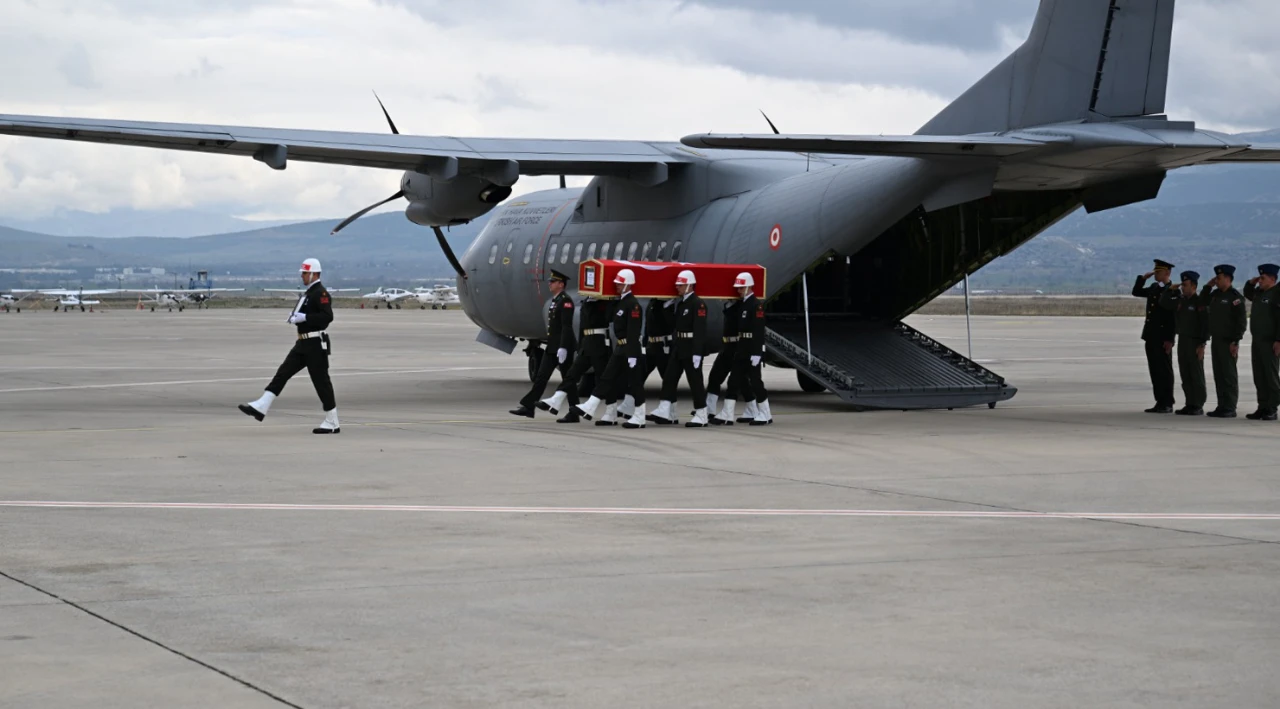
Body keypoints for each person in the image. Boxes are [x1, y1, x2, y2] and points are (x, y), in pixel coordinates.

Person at [239, 257, 339, 434]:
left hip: (315, 343)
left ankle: (332, 421)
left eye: (305, 273)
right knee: (282, 373)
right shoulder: (309, 293)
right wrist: (295, 318)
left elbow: (327, 317)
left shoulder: (320, 293)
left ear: (314, 273)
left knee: (321, 382)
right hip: (303, 342)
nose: (302, 277)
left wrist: (305, 318)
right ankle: (262, 405)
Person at [572, 268, 647, 428]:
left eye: (620, 284)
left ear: (627, 285)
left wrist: (634, 354)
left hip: (630, 348)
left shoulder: (633, 305)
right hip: (620, 347)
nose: (617, 286)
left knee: (635, 383)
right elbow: (608, 317)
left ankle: (640, 417)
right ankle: (597, 408)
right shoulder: (620, 303)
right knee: (607, 378)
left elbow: (634, 331)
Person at [511, 270, 576, 418]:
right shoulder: (556, 300)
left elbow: (566, 327)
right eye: (550, 281)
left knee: (568, 380)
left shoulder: (566, 301)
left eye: (553, 282)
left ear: (561, 284)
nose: (550, 284)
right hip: (553, 346)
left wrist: (564, 348)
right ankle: (529, 406)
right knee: (541, 377)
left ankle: (574, 411)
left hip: (562, 347)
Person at [539, 293, 613, 423]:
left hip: (599, 345)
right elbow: (582, 328)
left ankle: (610, 413)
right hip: (586, 345)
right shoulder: (587, 301)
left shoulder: (603, 303)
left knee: (602, 380)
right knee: (572, 374)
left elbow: (607, 318)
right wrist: (580, 347)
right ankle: (556, 400)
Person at [649, 270, 709, 426]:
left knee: (695, 382)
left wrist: (697, 352)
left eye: (681, 285)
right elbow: (674, 324)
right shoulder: (682, 303)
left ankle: (702, 414)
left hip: (691, 348)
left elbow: (700, 331)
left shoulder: (698, 304)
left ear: (689, 285)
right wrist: (665, 308)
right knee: (669, 379)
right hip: (679, 346)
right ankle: (665, 410)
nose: (678, 288)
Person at [714, 272, 772, 426]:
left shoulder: (756, 305)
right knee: (733, 381)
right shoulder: (743, 304)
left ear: (748, 286)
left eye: (741, 287)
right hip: (741, 348)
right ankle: (727, 414)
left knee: (755, 382)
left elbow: (759, 331)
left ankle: (766, 413)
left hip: (751, 348)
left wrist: (757, 352)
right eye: (738, 288)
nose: (738, 290)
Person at [1160, 270, 1210, 416]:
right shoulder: (1181, 301)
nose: (1183, 288)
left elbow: (1205, 325)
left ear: (1194, 286)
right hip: (1183, 340)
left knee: (1196, 374)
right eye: (1182, 285)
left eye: (1186, 285)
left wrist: (1202, 345)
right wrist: (1170, 290)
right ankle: (1190, 403)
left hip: (1195, 342)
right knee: (1185, 373)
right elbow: (1164, 303)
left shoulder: (1200, 302)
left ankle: (1198, 404)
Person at [1202, 264, 1249, 418]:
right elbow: (1201, 302)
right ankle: (1221, 405)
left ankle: (1230, 406)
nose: (1216, 280)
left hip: (1228, 342)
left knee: (1228, 375)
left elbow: (1241, 322)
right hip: (1216, 340)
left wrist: (1235, 341)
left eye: (1219, 278)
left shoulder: (1235, 298)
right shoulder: (1215, 295)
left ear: (1228, 279)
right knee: (1219, 374)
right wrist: (1207, 287)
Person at [1132, 259, 1177, 413]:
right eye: (1155, 271)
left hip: (1163, 336)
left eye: (1159, 272)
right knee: (1155, 370)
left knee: (1164, 370)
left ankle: (1167, 402)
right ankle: (1159, 401)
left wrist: (1170, 339)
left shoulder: (1172, 290)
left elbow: (1172, 318)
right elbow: (1136, 292)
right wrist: (1143, 278)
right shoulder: (1153, 287)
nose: (1156, 274)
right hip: (1151, 335)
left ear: (1167, 273)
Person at [1243, 263, 1280, 421]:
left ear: (1272, 279)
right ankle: (1262, 406)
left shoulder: (1277, 293)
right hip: (1257, 341)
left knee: (1270, 376)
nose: (1260, 281)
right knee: (1259, 376)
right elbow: (1248, 293)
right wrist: (1251, 282)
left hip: (1270, 341)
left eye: (1263, 278)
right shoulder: (1259, 293)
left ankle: (1272, 408)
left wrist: (1279, 340)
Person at [702, 297, 741, 417]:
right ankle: (710, 409)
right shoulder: (729, 305)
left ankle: (750, 410)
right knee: (715, 377)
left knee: (739, 382)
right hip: (727, 346)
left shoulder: (746, 306)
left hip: (738, 347)